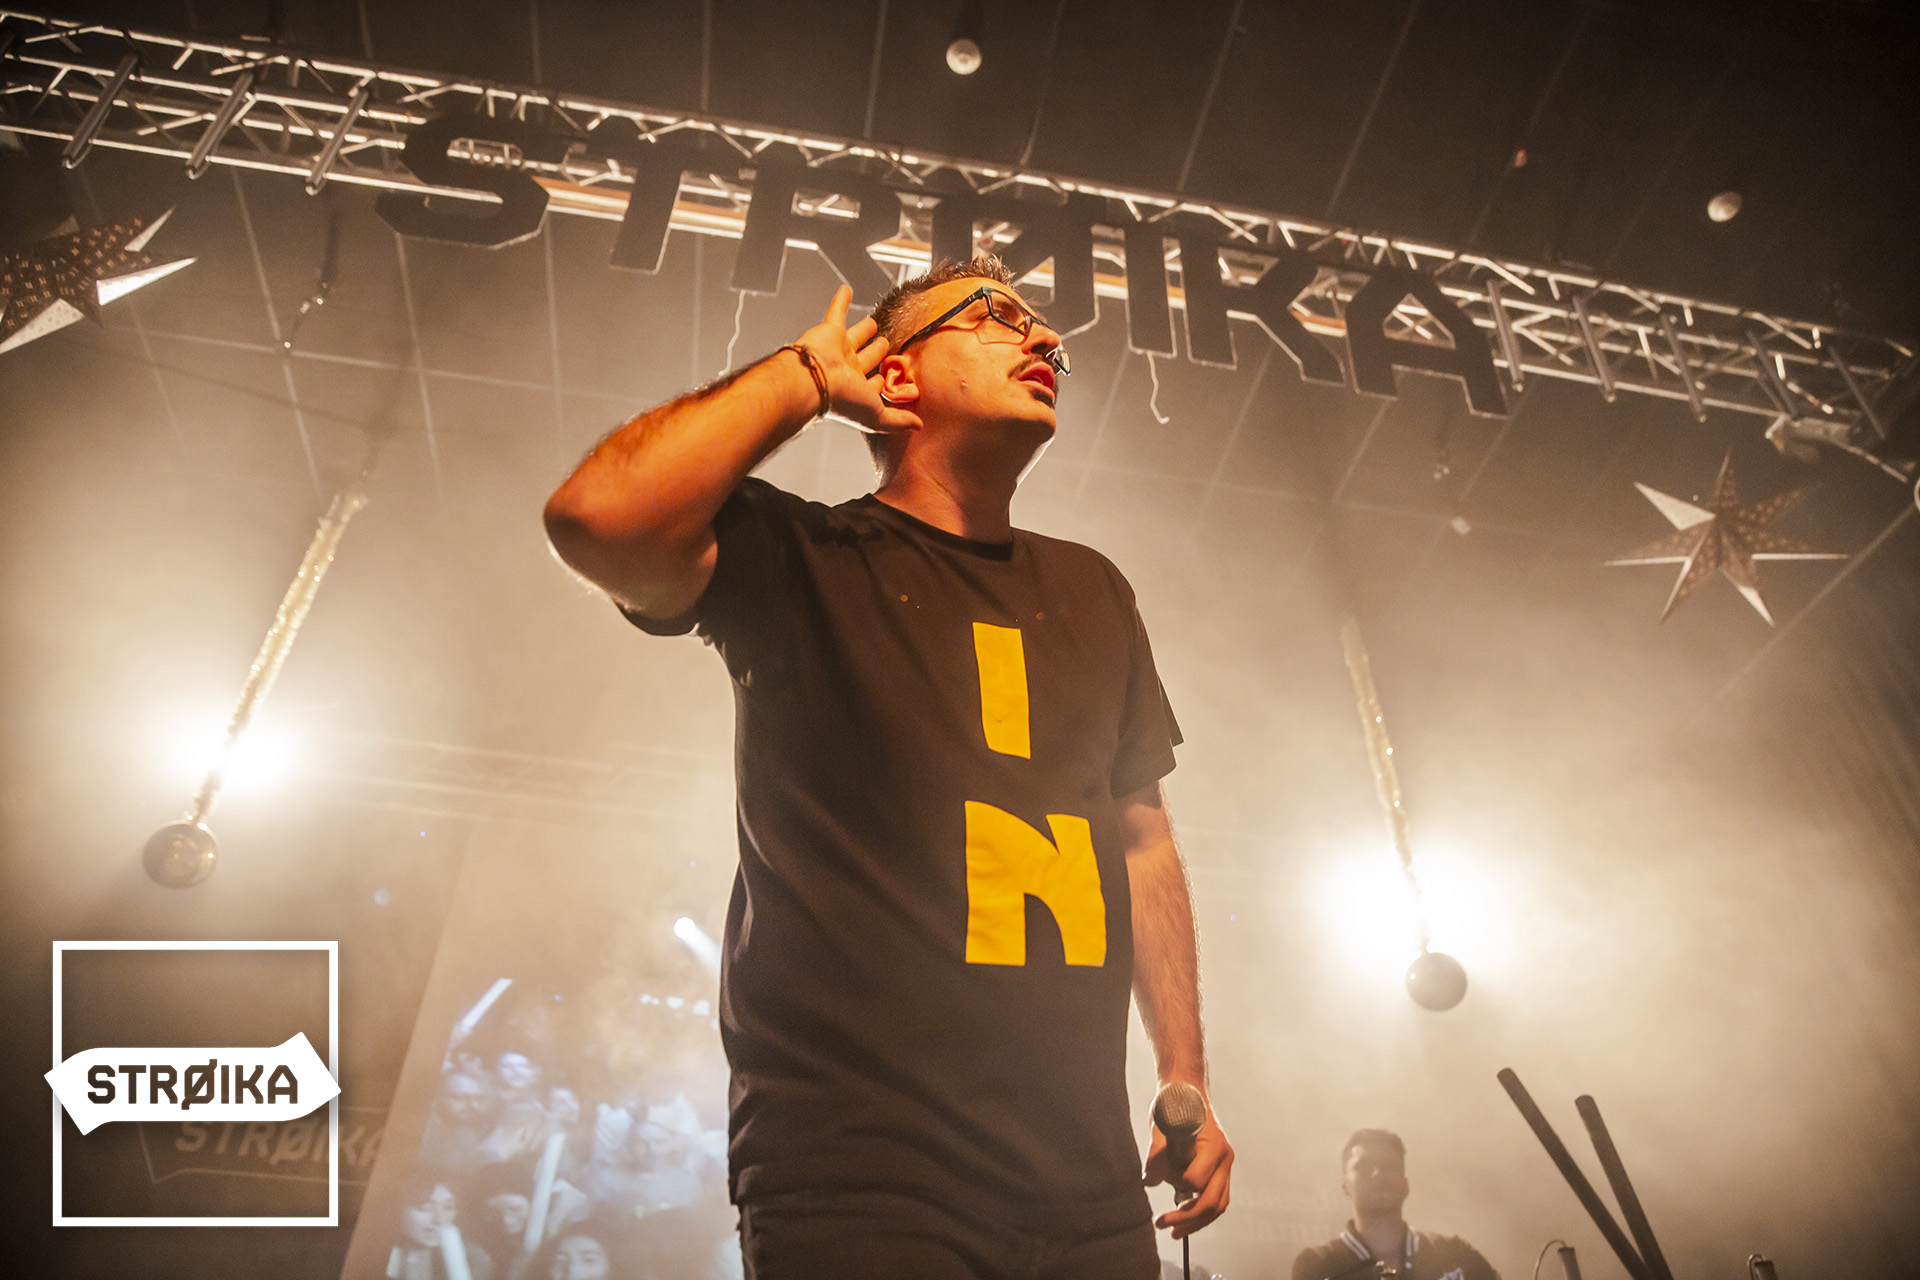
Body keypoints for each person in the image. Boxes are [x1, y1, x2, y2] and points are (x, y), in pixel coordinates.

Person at [544, 255, 1233, 1278]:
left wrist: (1185, 1076)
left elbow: (1141, 841)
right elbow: (597, 516)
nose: (1047, 342)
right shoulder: (801, 556)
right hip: (862, 1171)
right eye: (996, 315)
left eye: (1044, 330)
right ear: (895, 374)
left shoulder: (1094, 588)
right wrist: (804, 376)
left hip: (1084, 1185)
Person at [1292, 1130, 1497, 1280]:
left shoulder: (1456, 1255)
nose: (1378, 1173)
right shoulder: (1318, 1265)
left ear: (1406, 1184)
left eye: (1389, 1166)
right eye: (1364, 1166)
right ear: (1344, 1185)